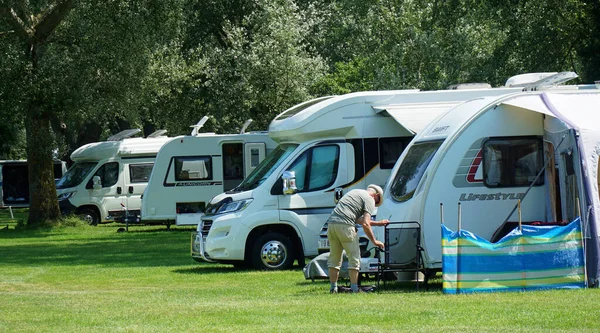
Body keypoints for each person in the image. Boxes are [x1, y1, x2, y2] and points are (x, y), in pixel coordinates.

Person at [327, 184, 389, 293]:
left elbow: (356, 219)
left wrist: (378, 223)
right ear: (376, 195)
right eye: (377, 202)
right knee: (354, 258)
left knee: (334, 259)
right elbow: (365, 223)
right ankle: (354, 289)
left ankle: (333, 288)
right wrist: (374, 241)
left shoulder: (355, 192)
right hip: (346, 228)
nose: (374, 205)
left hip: (331, 225)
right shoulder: (369, 199)